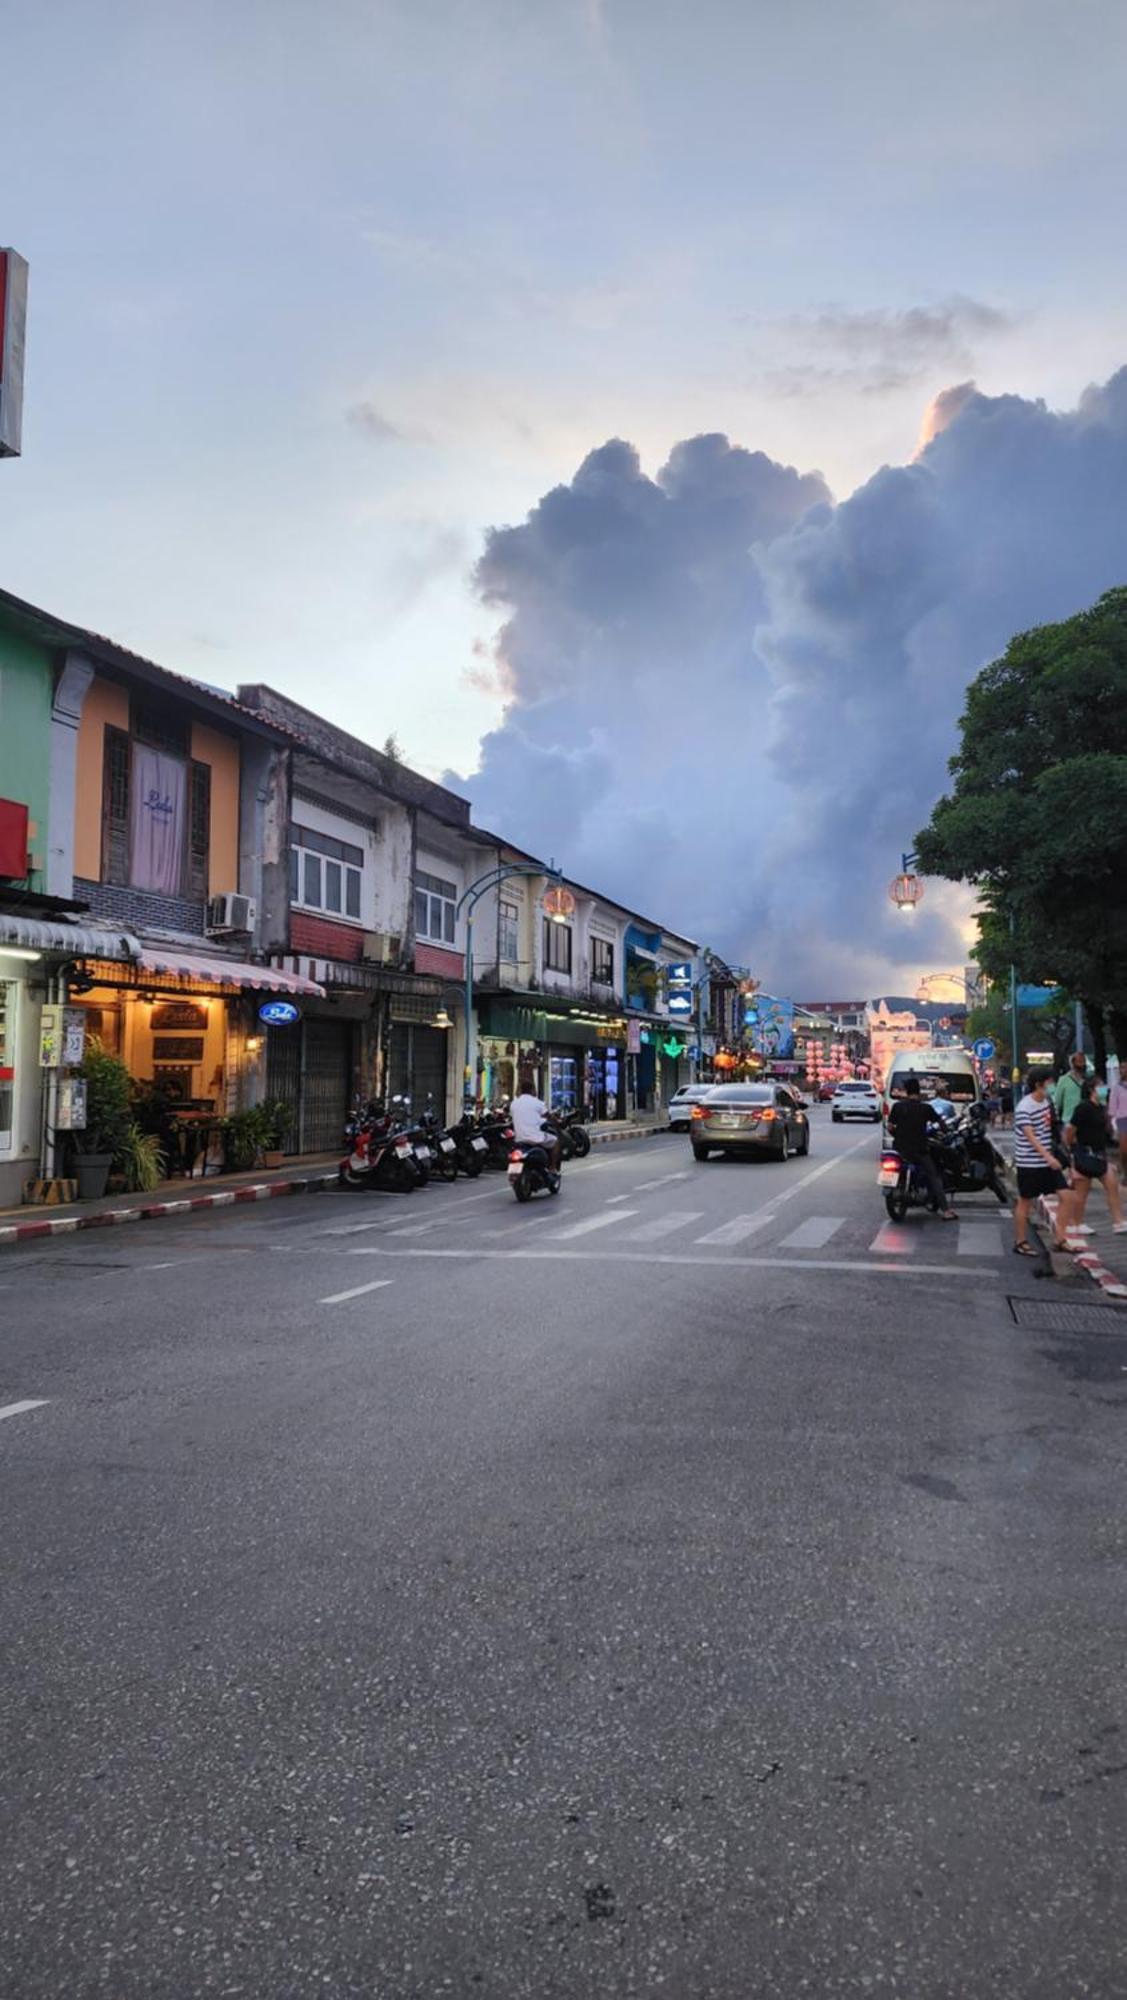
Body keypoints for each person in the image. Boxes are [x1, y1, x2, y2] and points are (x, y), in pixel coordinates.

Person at [1013, 1068, 1072, 1256]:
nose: (1052, 1086)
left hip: (1048, 1162)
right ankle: (1020, 1241)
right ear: (1039, 1084)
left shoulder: (1046, 1102)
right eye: (1049, 1082)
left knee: (1067, 1197)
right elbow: (1031, 1137)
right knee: (1025, 1202)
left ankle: (1060, 1239)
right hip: (1030, 1163)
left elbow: (1049, 1130)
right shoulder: (1024, 1107)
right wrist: (1048, 1157)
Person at [1064, 1078, 1127, 1237]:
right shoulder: (1083, 1108)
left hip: (1100, 1154)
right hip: (1085, 1154)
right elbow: (1070, 1131)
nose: (1104, 1089)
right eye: (1100, 1086)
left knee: (1112, 1186)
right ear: (1092, 1089)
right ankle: (1075, 1223)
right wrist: (1073, 1149)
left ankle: (1118, 1222)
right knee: (1081, 1193)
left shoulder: (1101, 1108)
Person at [888, 1076, 955, 1219]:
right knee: (934, 1177)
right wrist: (946, 1130)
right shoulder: (926, 1108)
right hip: (919, 1150)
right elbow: (941, 1124)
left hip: (899, 1148)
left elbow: (890, 1127)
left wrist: (898, 1134)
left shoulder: (897, 1106)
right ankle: (946, 1211)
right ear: (918, 1091)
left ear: (906, 1091)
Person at [508, 1073, 562, 1175]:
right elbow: (549, 1116)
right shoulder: (537, 1103)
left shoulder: (514, 1103)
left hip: (519, 1139)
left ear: (521, 1091)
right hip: (535, 1138)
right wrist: (557, 1122)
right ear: (532, 1090)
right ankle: (552, 1168)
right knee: (555, 1142)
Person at [1052, 1051, 1089, 1128]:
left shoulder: (1089, 1080)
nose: (1082, 1064)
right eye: (1080, 1061)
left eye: (1083, 1061)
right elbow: (1057, 1102)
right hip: (1070, 1120)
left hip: (1086, 1120)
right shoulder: (1063, 1080)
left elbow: (1057, 1102)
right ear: (1072, 1063)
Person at [1108, 1070, 1127, 1184]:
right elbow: (1112, 1108)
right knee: (1124, 1149)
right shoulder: (1117, 1088)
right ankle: (1125, 1171)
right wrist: (1111, 1122)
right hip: (1122, 1119)